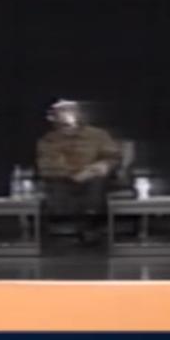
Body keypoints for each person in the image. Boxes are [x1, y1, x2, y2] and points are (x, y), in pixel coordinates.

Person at [35, 99, 121, 245]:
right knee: (59, 187)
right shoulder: (48, 140)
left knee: (96, 183)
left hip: (93, 176)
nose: (68, 114)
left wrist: (100, 167)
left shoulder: (98, 135)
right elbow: (46, 165)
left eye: (71, 110)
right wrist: (73, 174)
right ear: (55, 116)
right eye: (62, 111)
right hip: (62, 179)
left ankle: (90, 226)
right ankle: (77, 228)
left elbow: (112, 157)